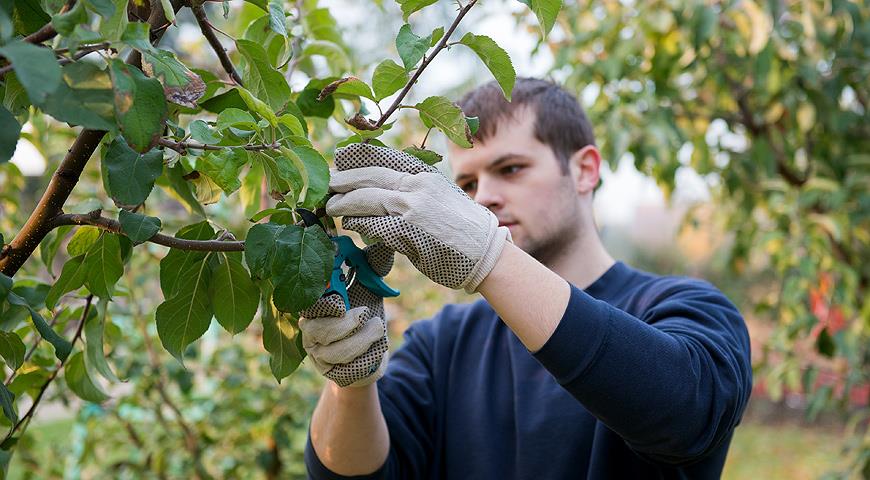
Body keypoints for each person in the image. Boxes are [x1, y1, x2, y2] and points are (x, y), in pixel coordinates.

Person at [299, 77, 752, 479]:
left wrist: (488, 255)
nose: (486, 197)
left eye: (510, 168)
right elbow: (356, 472)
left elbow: (686, 415)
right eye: (468, 185)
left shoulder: (688, 308)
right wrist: (351, 382)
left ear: (584, 169)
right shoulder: (442, 343)